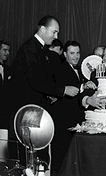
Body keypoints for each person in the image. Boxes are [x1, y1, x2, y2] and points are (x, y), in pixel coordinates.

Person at [10, 15, 80, 171]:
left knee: (37, 156)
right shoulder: (30, 48)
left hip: (34, 107)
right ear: (42, 29)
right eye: (54, 32)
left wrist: (50, 94)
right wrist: (62, 90)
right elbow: (35, 81)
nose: (56, 37)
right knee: (29, 155)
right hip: (27, 110)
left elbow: (40, 79)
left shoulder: (39, 49)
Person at [51, 40, 86, 173]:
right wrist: (83, 87)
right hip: (63, 123)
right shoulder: (60, 69)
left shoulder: (79, 70)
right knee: (60, 159)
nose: (76, 56)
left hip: (74, 121)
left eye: (78, 53)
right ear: (65, 54)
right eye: (72, 53)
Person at [0, 40, 11, 129]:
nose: (7, 53)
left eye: (8, 51)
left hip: (4, 112)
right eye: (5, 50)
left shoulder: (8, 69)